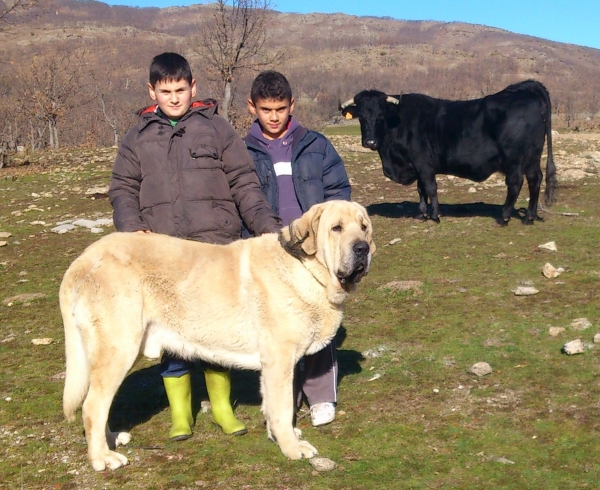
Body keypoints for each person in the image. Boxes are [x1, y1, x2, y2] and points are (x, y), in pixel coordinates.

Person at [108, 52, 281, 441]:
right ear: (151, 90)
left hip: (214, 250)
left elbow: (244, 184)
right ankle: (180, 415)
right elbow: (122, 189)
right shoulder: (136, 138)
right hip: (163, 256)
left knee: (217, 332)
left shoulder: (218, 129)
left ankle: (222, 408)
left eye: (180, 90)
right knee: (170, 338)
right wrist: (132, 229)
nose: (173, 98)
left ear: (193, 88)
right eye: (165, 91)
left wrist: (269, 230)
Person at [244, 70, 351, 427]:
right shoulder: (241, 150)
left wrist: (332, 237)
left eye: (280, 109)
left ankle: (321, 396)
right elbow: (238, 195)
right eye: (265, 109)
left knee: (321, 320)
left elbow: (339, 193)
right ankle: (283, 401)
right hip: (268, 250)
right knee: (279, 329)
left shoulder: (317, 145)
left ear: (292, 105)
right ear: (252, 108)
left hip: (315, 253)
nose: (273, 117)